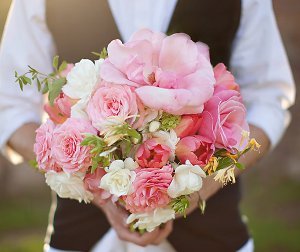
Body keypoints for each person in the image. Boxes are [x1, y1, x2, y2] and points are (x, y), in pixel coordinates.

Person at [0, 0, 295, 251]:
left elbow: (267, 97)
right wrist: (97, 188)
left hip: (212, 234)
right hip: (84, 236)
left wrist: (201, 186)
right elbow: (8, 106)